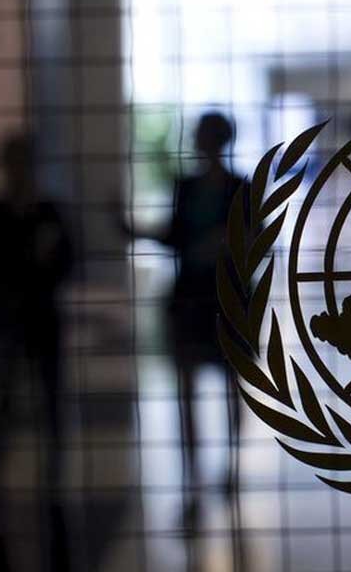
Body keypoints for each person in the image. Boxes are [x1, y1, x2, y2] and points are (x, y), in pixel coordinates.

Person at [120, 112, 245, 524]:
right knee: (190, 389)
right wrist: (135, 231)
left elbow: (254, 241)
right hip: (192, 300)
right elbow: (175, 235)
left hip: (225, 302)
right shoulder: (189, 187)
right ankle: (198, 472)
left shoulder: (238, 188)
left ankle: (228, 465)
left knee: (229, 387)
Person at [0, 132, 73, 571]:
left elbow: (69, 261)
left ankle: (55, 474)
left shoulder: (48, 211)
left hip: (41, 322)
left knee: (49, 398)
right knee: (5, 398)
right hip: (9, 323)